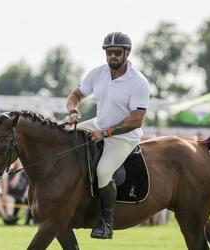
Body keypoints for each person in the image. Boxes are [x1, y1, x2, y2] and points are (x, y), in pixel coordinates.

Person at [66, 32, 150, 239]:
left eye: (117, 52)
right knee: (63, 136)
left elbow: (136, 120)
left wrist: (105, 133)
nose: (112, 56)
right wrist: (73, 112)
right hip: (98, 124)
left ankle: (107, 222)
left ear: (127, 53)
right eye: (109, 52)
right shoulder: (97, 73)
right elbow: (75, 96)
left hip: (124, 135)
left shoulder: (139, 82)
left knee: (103, 171)